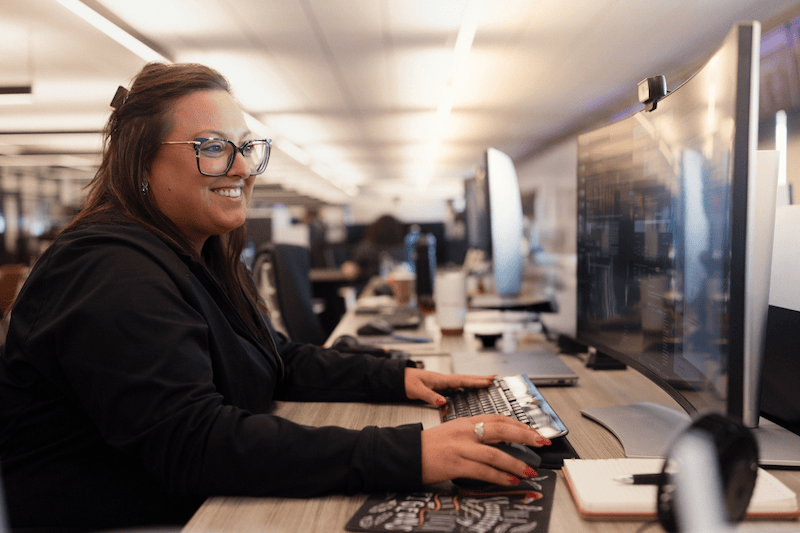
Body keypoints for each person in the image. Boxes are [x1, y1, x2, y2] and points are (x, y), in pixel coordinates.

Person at [0, 63, 550, 531]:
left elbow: (274, 358)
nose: (240, 167)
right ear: (141, 163)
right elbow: (195, 444)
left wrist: (397, 376)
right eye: (212, 148)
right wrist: (407, 452)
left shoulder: (192, 253)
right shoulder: (110, 271)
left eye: (244, 148)